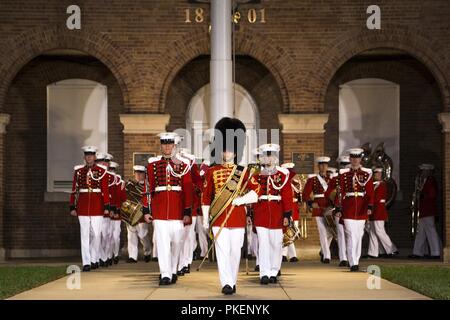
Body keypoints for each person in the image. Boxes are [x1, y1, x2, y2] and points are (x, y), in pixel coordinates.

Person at [201, 117, 260, 295]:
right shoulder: (212, 171)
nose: (226, 153)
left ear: (235, 152)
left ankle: (232, 281)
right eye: (224, 150)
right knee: (222, 252)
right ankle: (226, 283)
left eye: (229, 150)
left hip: (237, 217)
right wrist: (205, 219)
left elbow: (256, 192)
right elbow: (205, 197)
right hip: (218, 217)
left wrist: (241, 200)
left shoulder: (244, 172)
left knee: (235, 252)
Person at [142, 132, 193, 285]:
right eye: (164, 144)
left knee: (177, 243)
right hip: (159, 209)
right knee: (163, 244)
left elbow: (188, 190)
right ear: (161, 146)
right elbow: (148, 188)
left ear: (174, 146)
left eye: (170, 144)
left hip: (177, 210)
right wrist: (146, 210)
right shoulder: (153, 165)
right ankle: (165, 274)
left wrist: (187, 211)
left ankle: (172, 269)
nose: (167, 147)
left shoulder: (183, 165)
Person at [252, 144, 292, 284]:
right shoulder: (256, 175)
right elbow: (251, 195)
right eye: (266, 155)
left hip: (277, 213)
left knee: (276, 244)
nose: (269, 158)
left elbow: (287, 195)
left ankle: (274, 271)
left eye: (271, 155)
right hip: (261, 212)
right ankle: (264, 273)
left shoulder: (283, 174)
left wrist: (287, 215)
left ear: (276, 157)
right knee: (263, 244)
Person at [69, 146, 110, 271]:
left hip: (97, 205)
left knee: (97, 235)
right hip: (83, 205)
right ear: (84, 157)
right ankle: (86, 262)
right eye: (87, 155)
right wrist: (72, 206)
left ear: (95, 157)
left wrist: (106, 206)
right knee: (85, 235)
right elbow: (74, 190)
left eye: (91, 155)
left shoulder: (102, 171)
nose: (89, 157)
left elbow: (105, 189)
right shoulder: (79, 171)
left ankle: (94, 258)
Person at [334, 148, 374, 271]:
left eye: (357, 158)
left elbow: (370, 192)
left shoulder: (366, 174)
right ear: (350, 159)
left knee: (359, 235)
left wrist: (370, 206)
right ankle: (352, 263)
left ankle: (356, 258)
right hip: (348, 207)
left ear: (360, 159)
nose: (355, 160)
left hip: (361, 207)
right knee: (350, 234)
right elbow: (339, 192)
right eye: (353, 158)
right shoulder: (344, 174)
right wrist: (338, 208)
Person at [302, 156, 333, 263]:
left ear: (327, 166)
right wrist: (311, 203)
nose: (323, 167)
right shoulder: (313, 180)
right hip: (319, 208)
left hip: (330, 207)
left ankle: (323, 251)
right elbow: (305, 194)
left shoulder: (331, 179)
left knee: (330, 233)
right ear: (318, 166)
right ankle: (327, 256)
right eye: (321, 165)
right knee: (323, 232)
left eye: (325, 165)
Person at [410, 164, 442, 259]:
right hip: (423, 210)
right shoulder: (423, 181)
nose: (422, 173)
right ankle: (417, 252)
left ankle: (436, 252)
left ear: (428, 171)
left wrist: (421, 195)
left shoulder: (431, 181)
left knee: (431, 231)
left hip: (429, 210)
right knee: (421, 232)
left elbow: (432, 194)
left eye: (424, 171)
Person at [366, 167, 398, 258]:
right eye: (376, 174)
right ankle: (373, 253)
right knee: (372, 232)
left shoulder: (381, 185)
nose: (378, 175)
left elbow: (377, 199)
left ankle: (392, 249)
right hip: (373, 211)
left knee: (380, 231)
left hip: (378, 211)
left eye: (379, 174)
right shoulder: (374, 185)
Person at [325, 157, 349, 267]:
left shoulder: (354, 178)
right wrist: (334, 194)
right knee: (341, 234)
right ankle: (343, 258)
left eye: (346, 164)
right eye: (343, 165)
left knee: (351, 235)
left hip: (351, 210)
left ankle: (351, 257)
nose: (344, 167)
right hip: (339, 210)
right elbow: (328, 192)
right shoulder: (336, 179)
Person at [125, 165, 152, 263]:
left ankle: (147, 252)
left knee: (143, 235)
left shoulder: (147, 186)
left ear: (144, 175)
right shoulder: (129, 185)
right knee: (131, 236)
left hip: (141, 215)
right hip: (130, 214)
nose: (138, 175)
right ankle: (132, 256)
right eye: (136, 173)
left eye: (140, 173)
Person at [281, 162, 300, 263]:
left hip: (294, 209)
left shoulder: (296, 183)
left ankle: (286, 254)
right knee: (286, 233)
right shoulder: (282, 182)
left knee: (291, 233)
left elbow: (298, 196)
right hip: (285, 209)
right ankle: (288, 255)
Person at [109, 161, 125, 264]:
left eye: (113, 170)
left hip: (117, 213)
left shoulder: (120, 182)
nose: (111, 171)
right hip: (107, 212)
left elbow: (122, 198)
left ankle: (115, 254)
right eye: (110, 169)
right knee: (107, 235)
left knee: (116, 236)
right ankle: (108, 255)